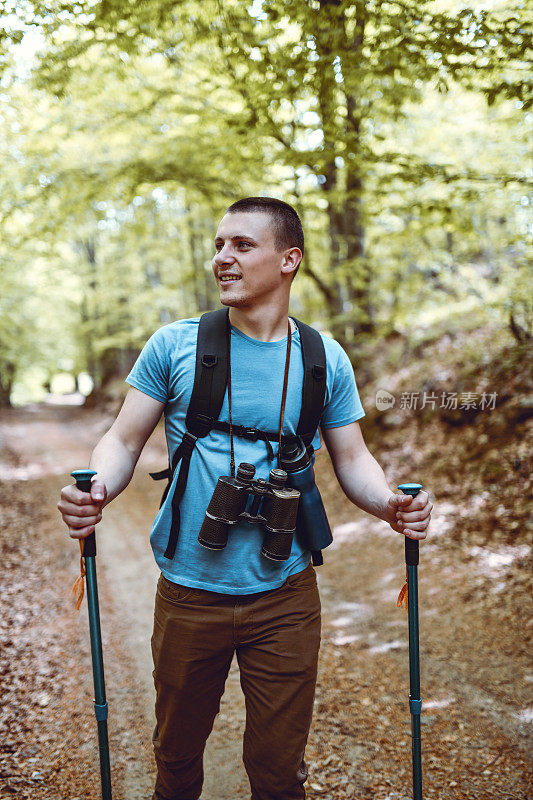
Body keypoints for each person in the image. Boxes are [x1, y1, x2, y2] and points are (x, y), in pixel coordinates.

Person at [58, 197, 432, 800]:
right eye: (218, 245)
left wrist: (391, 505)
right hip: (188, 594)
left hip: (285, 594)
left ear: (289, 260)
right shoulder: (176, 346)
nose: (222, 258)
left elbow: (353, 458)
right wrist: (96, 489)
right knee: (176, 761)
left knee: (280, 773)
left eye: (241, 245)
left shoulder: (322, 358)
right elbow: (122, 441)